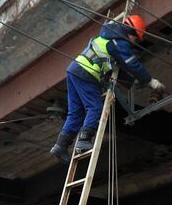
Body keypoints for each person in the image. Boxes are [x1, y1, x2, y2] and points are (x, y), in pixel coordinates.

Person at [49, 14, 165, 161]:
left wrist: (132, 82)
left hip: (74, 69)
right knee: (95, 107)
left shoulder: (108, 37)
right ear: (132, 33)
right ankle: (83, 141)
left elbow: (115, 68)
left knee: (76, 112)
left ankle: (60, 146)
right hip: (87, 73)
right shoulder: (119, 42)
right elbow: (131, 64)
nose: (134, 43)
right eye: (136, 39)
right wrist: (150, 81)